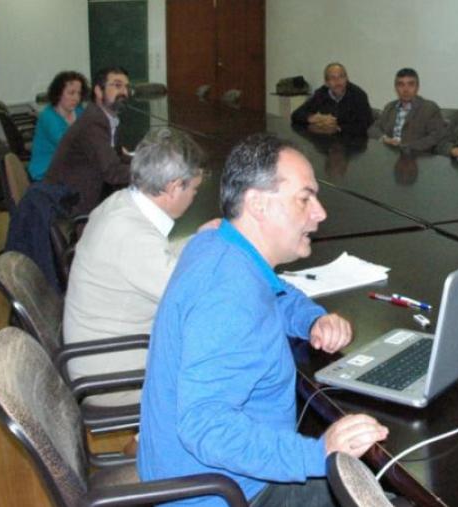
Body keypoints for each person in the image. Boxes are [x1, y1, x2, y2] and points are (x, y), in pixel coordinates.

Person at [138, 134, 389, 506]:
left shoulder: (216, 243)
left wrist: (312, 320)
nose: (320, 213)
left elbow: (275, 293)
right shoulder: (227, 298)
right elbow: (205, 426)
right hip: (222, 492)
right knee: (382, 493)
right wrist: (319, 453)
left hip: (196, 472)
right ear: (257, 204)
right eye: (305, 198)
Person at [62, 126, 217, 407]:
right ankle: (156, 440)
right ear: (173, 187)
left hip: (102, 352)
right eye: (193, 189)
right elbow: (193, 298)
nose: (194, 196)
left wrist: (199, 238)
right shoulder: (130, 235)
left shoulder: (120, 204)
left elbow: (160, 260)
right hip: (112, 377)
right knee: (226, 364)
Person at [46, 66, 132, 215]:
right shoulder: (93, 124)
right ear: (98, 91)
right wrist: (153, 173)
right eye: (117, 85)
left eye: (127, 87)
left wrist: (146, 161)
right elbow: (113, 172)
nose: (124, 92)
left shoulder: (106, 118)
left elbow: (116, 156)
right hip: (70, 204)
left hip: (84, 191)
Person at [27, 71, 89, 181]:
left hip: (70, 166)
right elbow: (69, 145)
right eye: (71, 93)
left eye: (79, 93)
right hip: (46, 171)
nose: (76, 98)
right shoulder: (48, 116)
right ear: (58, 93)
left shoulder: (79, 111)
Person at [368, 67, 446, 152]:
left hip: (417, 157)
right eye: (401, 85)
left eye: (411, 84)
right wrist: (385, 138)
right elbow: (372, 129)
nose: (405, 89)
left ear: (417, 87)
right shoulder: (390, 107)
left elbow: (436, 136)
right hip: (390, 156)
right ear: (395, 87)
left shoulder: (430, 108)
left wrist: (406, 147)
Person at [291, 62, 373, 137]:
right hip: (325, 142)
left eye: (341, 77)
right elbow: (296, 115)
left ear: (347, 79)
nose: (338, 81)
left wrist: (338, 128)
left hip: (353, 144)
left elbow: (366, 123)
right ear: (326, 83)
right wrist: (313, 118)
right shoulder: (321, 94)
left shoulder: (358, 95)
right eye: (332, 78)